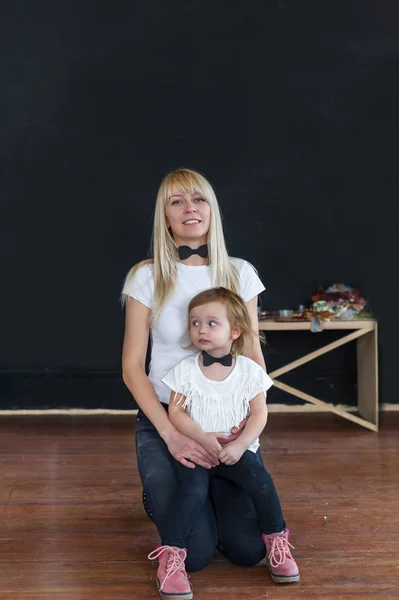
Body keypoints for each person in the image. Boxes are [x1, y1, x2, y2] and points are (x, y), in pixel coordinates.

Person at [121, 168, 298, 600]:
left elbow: (253, 356)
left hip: (226, 423)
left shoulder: (240, 273)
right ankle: (163, 503)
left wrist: (249, 425)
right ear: (165, 217)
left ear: (212, 210)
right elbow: (131, 368)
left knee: (243, 550)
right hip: (167, 421)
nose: (189, 209)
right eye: (176, 201)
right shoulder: (146, 277)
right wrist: (170, 434)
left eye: (198, 199)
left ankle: (209, 502)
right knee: (197, 553)